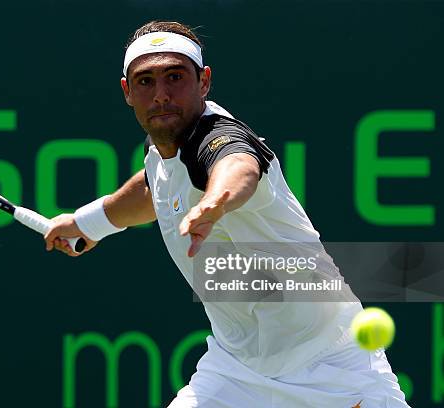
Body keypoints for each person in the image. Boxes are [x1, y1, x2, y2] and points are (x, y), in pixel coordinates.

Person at [44, 21, 409, 408]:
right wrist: (88, 223)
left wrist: (215, 202)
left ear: (204, 82)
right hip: (236, 371)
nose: (161, 95)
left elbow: (238, 167)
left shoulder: (221, 138)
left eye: (175, 76)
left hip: (333, 370)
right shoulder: (163, 150)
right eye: (146, 81)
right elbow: (154, 186)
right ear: (127, 92)